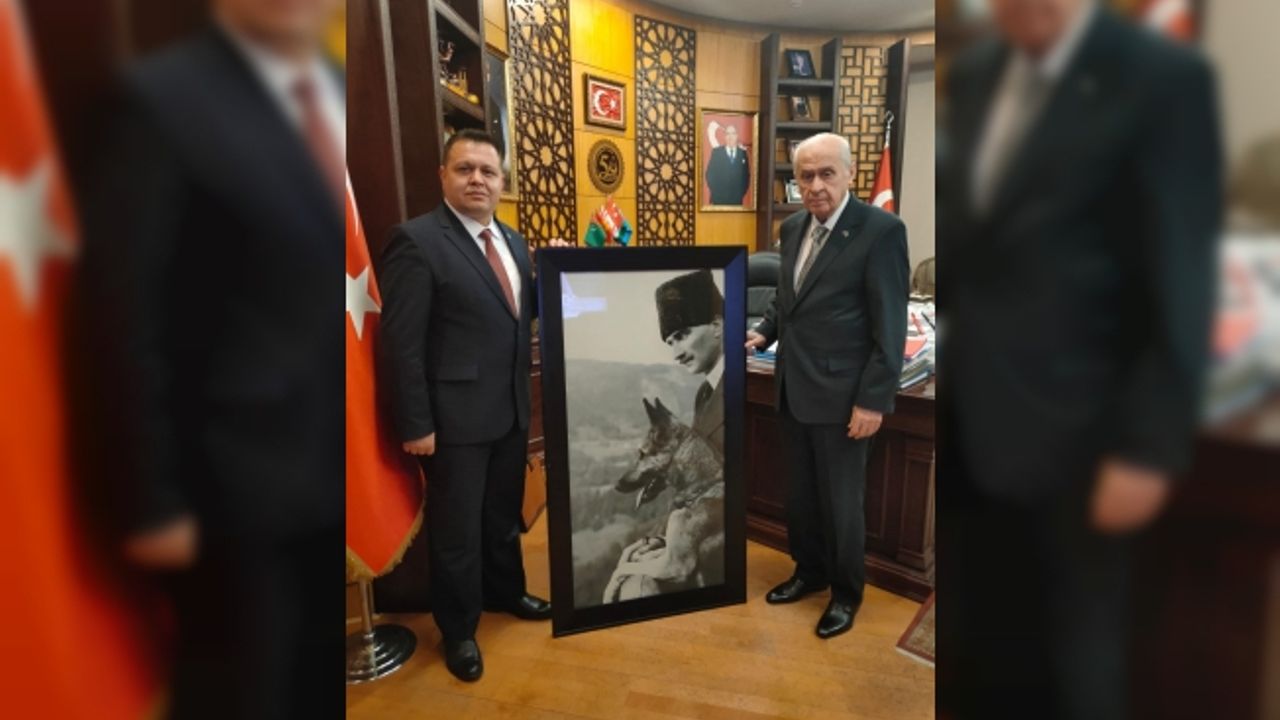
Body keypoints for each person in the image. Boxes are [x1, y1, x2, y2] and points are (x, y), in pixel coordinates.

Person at [936, 1, 1222, 717]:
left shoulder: (1162, 79)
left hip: (1083, 436)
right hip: (972, 427)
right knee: (980, 655)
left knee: (1070, 669)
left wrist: (1150, 448)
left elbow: (1182, 274)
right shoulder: (976, 72)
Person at [78, 0, 346, 716]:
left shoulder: (337, 92)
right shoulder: (158, 102)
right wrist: (150, 502)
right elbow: (121, 317)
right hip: (232, 504)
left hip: (331, 479)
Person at [378, 128, 551, 683]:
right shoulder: (417, 241)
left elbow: (517, 315)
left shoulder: (515, 242)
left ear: (502, 182)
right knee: (456, 534)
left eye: (488, 171)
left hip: (510, 411)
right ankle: (458, 631)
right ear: (443, 176)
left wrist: (562, 274)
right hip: (452, 423)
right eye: (465, 169)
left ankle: (507, 593)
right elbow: (401, 344)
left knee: (502, 519)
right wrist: (416, 423)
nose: (478, 179)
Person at [746, 132, 909, 640]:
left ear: (849, 174)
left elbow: (890, 326)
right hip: (792, 388)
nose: (815, 185)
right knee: (800, 496)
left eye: (826, 174)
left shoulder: (881, 231)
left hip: (843, 399)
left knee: (841, 505)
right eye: (805, 176)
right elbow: (787, 297)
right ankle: (809, 572)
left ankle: (845, 594)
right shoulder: (794, 227)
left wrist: (873, 401)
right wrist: (764, 330)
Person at [656, 269, 726, 454]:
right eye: (671, 343)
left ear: (717, 326)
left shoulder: (748, 386)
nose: (676, 354)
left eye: (681, 336)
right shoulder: (704, 393)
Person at [704, 124, 751, 206]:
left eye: (733, 133)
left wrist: (740, 194)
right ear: (724, 137)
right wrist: (716, 193)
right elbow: (709, 174)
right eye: (728, 134)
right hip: (718, 200)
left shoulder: (743, 153)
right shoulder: (717, 152)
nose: (730, 137)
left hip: (736, 201)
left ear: (737, 136)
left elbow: (746, 177)